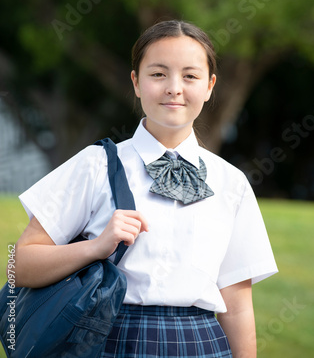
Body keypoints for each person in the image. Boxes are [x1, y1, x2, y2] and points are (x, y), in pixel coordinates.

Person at [12, 20, 278, 358]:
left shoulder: (231, 182)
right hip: (110, 338)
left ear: (210, 86)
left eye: (190, 76)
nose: (174, 88)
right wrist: (94, 248)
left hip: (202, 344)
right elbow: (16, 264)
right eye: (158, 74)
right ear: (136, 82)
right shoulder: (96, 165)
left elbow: (237, 305)